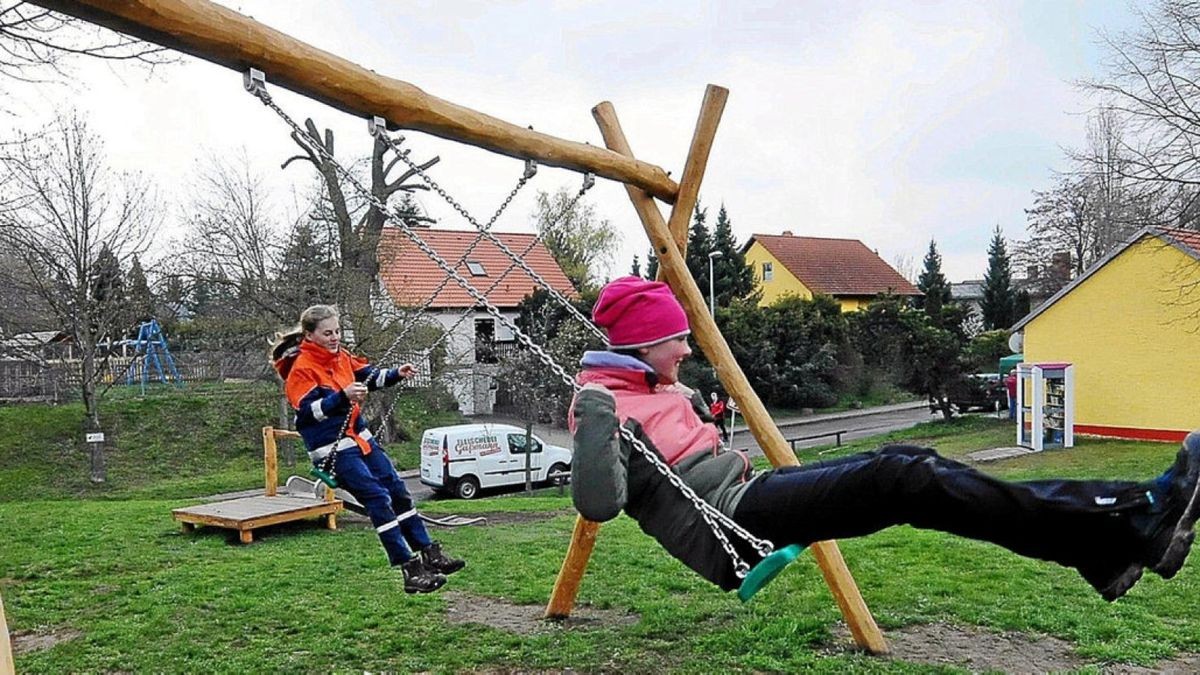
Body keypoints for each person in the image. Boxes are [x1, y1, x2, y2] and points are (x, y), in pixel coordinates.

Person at [569, 277, 1200, 601]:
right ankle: (1132, 516)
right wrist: (598, 413)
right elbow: (598, 502)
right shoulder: (600, 403)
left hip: (748, 493)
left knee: (907, 460)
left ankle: (1101, 549)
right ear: (640, 347)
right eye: (676, 338)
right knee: (905, 481)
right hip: (733, 528)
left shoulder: (655, 389)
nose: (687, 347)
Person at [271, 305, 465, 594]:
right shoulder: (302, 369)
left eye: (337, 331)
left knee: (398, 491)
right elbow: (308, 413)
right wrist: (342, 397)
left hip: (360, 439)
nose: (335, 337)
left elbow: (370, 377)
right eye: (328, 333)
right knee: (377, 498)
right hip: (332, 449)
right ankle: (409, 569)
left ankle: (430, 553)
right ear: (310, 335)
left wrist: (397, 373)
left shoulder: (341, 357)